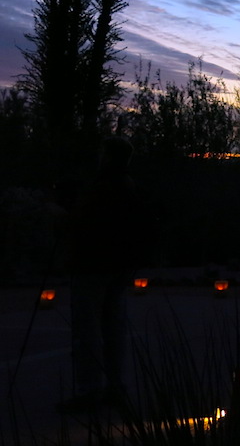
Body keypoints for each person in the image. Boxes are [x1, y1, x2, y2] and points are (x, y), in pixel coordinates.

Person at [57, 136, 146, 414]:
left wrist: (64, 214)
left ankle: (89, 390)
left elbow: (85, 223)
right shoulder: (128, 186)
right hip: (119, 265)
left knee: (88, 329)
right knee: (113, 327)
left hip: (94, 266)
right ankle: (114, 387)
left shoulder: (102, 188)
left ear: (107, 157)